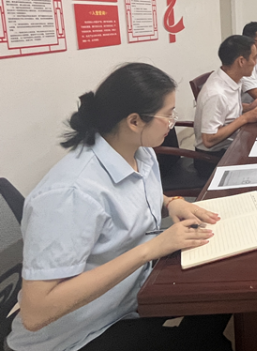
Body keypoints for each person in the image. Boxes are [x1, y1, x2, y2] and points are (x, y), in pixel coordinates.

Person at [6, 63, 232, 351]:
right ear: (134, 121)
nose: (172, 122)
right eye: (168, 115)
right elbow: (36, 313)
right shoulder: (70, 194)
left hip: (127, 298)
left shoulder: (140, 152)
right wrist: (151, 249)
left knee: (225, 294)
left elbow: (131, 197)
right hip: (78, 335)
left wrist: (170, 204)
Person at [194, 35, 257, 169]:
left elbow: (226, 109)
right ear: (241, 61)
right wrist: (245, 118)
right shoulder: (216, 93)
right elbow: (208, 140)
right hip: (213, 159)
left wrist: (249, 107)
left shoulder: (229, 78)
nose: (255, 63)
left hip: (233, 145)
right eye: (254, 58)